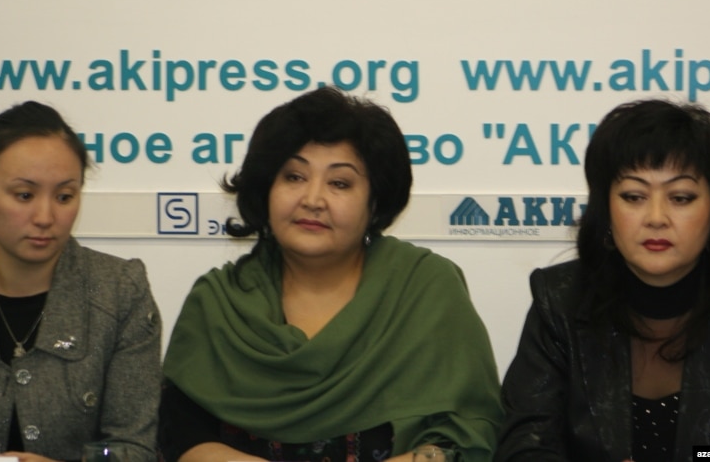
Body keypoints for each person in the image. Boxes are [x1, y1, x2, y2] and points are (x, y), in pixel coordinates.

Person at [159, 87, 503, 462]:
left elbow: (467, 432)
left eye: (339, 183)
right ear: (266, 188)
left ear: (375, 202)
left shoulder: (425, 289)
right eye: (294, 177)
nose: (312, 199)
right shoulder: (218, 302)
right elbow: (181, 435)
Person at [497, 99, 710, 461]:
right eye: (634, 196)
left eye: (680, 198)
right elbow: (523, 446)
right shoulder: (559, 300)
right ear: (605, 208)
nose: (656, 217)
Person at [0, 101, 162, 462]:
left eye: (64, 197)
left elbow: (135, 448)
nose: (45, 216)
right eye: (24, 195)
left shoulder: (119, 291)